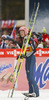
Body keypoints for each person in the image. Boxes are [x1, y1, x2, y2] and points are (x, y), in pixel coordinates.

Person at [17, 26, 39, 97]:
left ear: (25, 32)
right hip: (28, 58)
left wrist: (26, 56)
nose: (21, 33)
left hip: (31, 58)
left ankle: (36, 93)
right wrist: (21, 55)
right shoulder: (24, 40)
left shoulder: (29, 39)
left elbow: (34, 50)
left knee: (31, 76)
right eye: (20, 32)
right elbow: (26, 50)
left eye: (22, 32)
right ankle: (31, 91)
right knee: (28, 76)